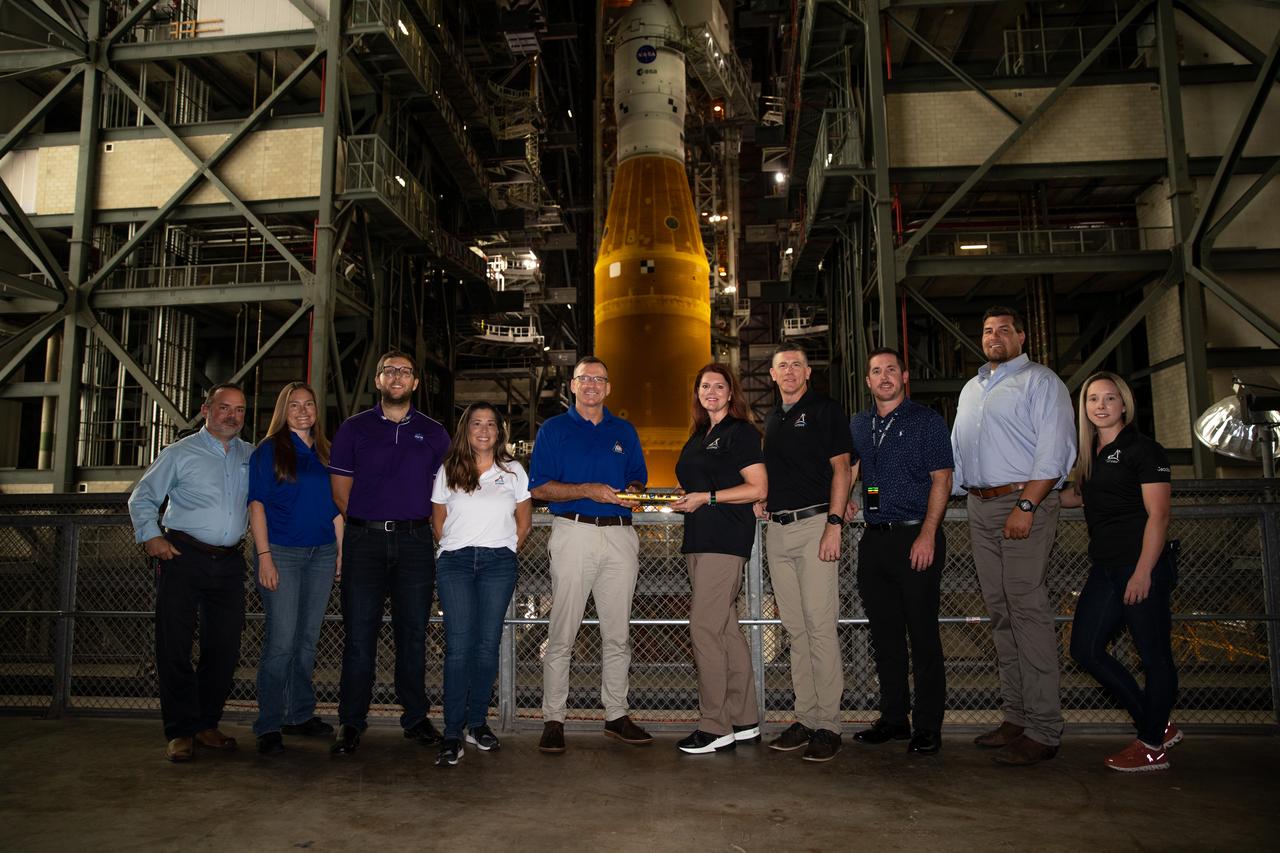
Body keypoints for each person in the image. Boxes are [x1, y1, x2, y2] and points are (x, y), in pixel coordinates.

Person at [951, 306, 1076, 766]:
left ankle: (1044, 728)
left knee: (1027, 608)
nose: (994, 336)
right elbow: (960, 448)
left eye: (1004, 329)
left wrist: (1027, 504)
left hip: (1023, 502)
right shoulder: (972, 388)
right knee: (1000, 611)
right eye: (987, 330)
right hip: (980, 506)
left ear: (1022, 336)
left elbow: (1056, 447)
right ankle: (1017, 716)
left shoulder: (1041, 382)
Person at [327, 351, 450, 756]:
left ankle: (415, 718)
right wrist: (371, 523)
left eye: (405, 372)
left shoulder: (434, 434)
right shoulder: (353, 429)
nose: (397, 377)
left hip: (416, 543)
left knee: (412, 635)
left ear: (416, 383)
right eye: (389, 371)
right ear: (378, 380)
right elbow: (341, 494)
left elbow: (445, 494)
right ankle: (350, 721)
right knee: (360, 636)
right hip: (365, 541)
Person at [529, 356, 652, 753]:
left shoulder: (624, 430)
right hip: (574, 533)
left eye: (600, 379)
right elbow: (540, 488)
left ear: (608, 388)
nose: (593, 385)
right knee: (562, 632)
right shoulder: (554, 429)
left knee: (617, 635)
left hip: (619, 536)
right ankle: (553, 718)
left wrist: (633, 490)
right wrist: (589, 489)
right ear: (573, 385)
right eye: (585, 379)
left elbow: (638, 477)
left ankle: (616, 714)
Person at [1062, 372, 1181, 772]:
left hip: (1141, 564)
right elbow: (1078, 496)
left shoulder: (1144, 450)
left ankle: (1150, 746)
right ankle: (1157, 724)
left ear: (1124, 404)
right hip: (1106, 565)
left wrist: (1144, 571)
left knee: (1154, 657)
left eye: (1109, 398)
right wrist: (1025, 494)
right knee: (1085, 648)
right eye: (1093, 399)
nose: (1100, 405)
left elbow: (1159, 516)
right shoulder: (1090, 452)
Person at [128, 384, 253, 763]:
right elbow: (143, 496)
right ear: (206, 410)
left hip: (230, 561)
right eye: (224, 408)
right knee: (175, 644)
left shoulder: (252, 455)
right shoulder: (179, 453)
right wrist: (152, 537)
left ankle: (206, 724)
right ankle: (180, 731)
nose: (232, 416)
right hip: (183, 557)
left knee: (225, 645)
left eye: (240, 410)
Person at [847, 348, 953, 756]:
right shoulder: (860, 423)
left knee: (923, 636)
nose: (884, 377)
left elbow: (942, 480)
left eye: (891, 369)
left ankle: (928, 726)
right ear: (868, 381)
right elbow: (857, 470)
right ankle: (893, 719)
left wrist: (928, 533)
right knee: (885, 636)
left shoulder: (926, 422)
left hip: (916, 537)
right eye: (877, 371)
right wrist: (854, 501)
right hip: (874, 540)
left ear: (904, 377)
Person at [756, 346, 852, 763]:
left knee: (820, 626)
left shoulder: (825, 410)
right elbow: (779, 472)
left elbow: (843, 468)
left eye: (796, 365)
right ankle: (806, 717)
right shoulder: (773, 419)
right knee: (795, 629)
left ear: (808, 372)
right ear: (773, 376)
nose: (790, 372)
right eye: (782, 367)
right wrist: (764, 499)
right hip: (778, 530)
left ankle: (828, 724)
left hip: (815, 526)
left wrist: (834, 524)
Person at [670, 364, 767, 754]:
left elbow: (758, 486)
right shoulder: (699, 436)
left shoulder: (739, 432)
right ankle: (744, 721)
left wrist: (707, 498)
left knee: (703, 629)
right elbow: (700, 481)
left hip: (725, 540)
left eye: (719, 386)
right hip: (699, 539)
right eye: (704, 386)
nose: (711, 391)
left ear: (731, 393)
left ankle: (714, 727)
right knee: (725, 630)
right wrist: (686, 495)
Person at [430, 403, 533, 767]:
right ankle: (452, 732)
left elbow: (524, 520)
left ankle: (477, 723)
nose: (484, 430)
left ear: (499, 432)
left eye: (491, 424)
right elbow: (438, 518)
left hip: (497, 565)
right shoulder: (448, 469)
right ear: (466, 429)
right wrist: (455, 548)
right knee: (459, 647)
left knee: (488, 646)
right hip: (456, 564)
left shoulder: (513, 471)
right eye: (477, 424)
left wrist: (503, 550)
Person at [247, 381, 343, 755]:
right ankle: (269, 723)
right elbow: (256, 506)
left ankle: (299, 714)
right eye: (294, 406)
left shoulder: (325, 453)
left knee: (306, 641)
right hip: (282, 554)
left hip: (321, 554)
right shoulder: (268, 451)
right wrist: (264, 556)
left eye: (309, 404)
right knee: (281, 642)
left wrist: (340, 552)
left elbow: (335, 507)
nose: (303, 411)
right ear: (282, 411)